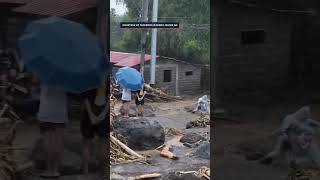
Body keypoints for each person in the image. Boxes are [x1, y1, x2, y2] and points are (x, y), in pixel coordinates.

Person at [37, 84, 68, 178]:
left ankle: (48, 170)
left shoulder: (45, 71)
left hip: (46, 110)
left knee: (47, 139)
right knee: (58, 141)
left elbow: (35, 82)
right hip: (60, 111)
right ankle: (55, 170)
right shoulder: (67, 73)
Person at [80, 85, 108, 175]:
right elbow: (109, 97)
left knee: (87, 143)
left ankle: (85, 171)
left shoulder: (89, 75)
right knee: (103, 143)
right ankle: (102, 170)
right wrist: (104, 113)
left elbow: (85, 97)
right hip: (103, 109)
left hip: (89, 110)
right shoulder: (107, 76)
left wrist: (90, 114)